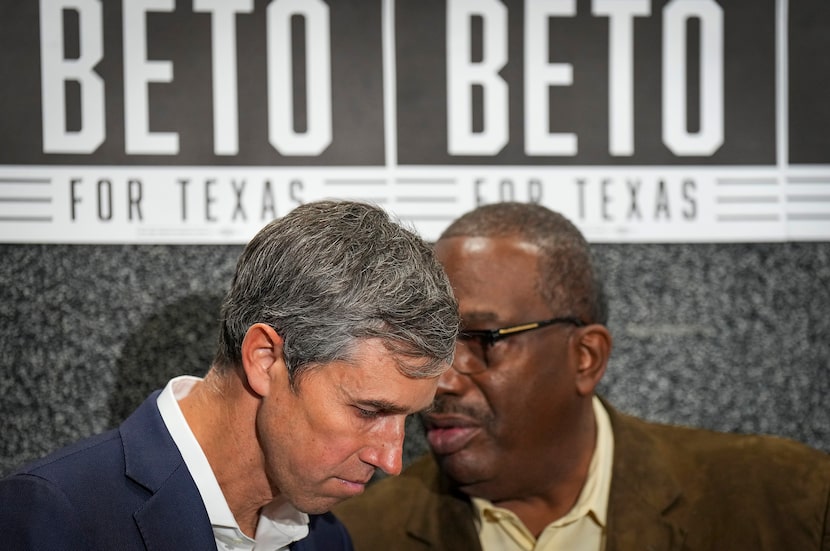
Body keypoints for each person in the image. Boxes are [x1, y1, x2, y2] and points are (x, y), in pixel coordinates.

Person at [334, 202, 830, 550]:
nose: (439, 382)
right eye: (432, 344)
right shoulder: (359, 535)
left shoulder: (788, 501)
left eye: (482, 340)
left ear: (586, 357)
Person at [0, 200, 460, 550]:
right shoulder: (56, 516)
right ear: (264, 359)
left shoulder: (325, 537)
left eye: (408, 419)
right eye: (369, 410)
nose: (392, 461)